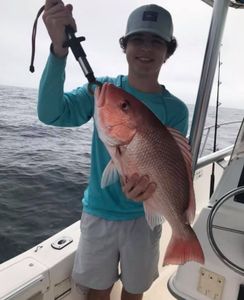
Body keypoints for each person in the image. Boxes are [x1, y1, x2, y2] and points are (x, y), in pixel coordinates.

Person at [39, 1, 189, 299]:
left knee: (134, 292)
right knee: (98, 290)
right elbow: (51, 113)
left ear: (167, 51)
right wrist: (59, 51)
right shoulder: (103, 91)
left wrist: (148, 190)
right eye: (137, 39)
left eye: (156, 41)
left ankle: (183, 241)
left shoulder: (175, 109)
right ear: (124, 45)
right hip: (99, 215)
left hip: (144, 219)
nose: (145, 48)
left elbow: (170, 166)